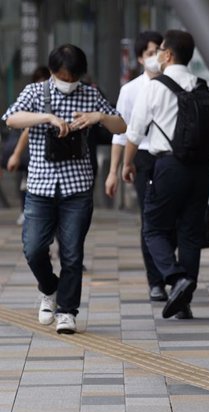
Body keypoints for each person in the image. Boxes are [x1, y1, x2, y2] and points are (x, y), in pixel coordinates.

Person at [2, 44, 126, 334]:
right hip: (40, 186)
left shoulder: (90, 93)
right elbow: (10, 118)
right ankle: (49, 288)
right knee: (33, 249)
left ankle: (67, 311)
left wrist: (98, 118)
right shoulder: (35, 92)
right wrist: (46, 118)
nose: (68, 83)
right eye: (63, 77)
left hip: (77, 188)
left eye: (73, 78)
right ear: (53, 72)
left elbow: (121, 126)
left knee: (72, 253)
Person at [122, 29, 209, 320]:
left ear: (167, 55)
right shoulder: (206, 87)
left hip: (169, 167)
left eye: (160, 51)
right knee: (190, 234)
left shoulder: (154, 87)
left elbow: (135, 131)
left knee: (154, 228)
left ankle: (174, 277)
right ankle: (184, 302)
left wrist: (126, 164)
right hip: (202, 170)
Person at [105, 31, 167, 302]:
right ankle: (156, 280)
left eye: (160, 51)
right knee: (150, 220)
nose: (155, 57)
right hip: (142, 157)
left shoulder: (176, 85)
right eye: (150, 52)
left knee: (173, 220)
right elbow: (121, 132)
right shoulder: (130, 90)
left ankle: (171, 272)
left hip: (172, 158)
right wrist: (115, 170)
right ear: (141, 57)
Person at [4, 66, 51, 226]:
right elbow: (17, 124)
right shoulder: (32, 95)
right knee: (26, 184)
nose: (42, 84)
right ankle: (26, 211)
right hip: (31, 154)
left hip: (51, 156)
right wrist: (17, 154)